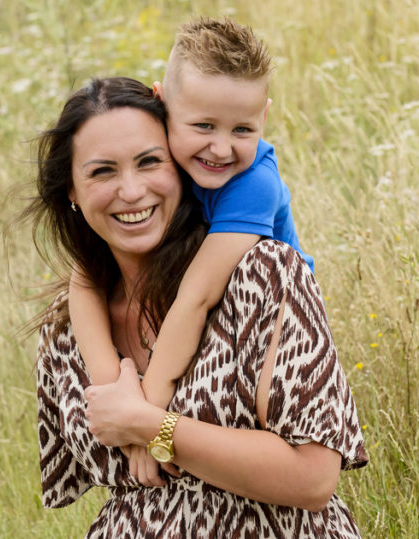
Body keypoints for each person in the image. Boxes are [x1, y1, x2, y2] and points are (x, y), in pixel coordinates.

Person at [25, 76, 368, 536]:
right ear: (72, 189)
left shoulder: (263, 275)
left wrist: (154, 428)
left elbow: (312, 479)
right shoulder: (67, 332)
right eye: (102, 171)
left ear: (183, 165)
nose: (130, 191)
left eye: (150, 162)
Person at [69, 19, 314, 483]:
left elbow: (198, 297)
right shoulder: (172, 162)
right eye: (203, 125)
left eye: (243, 129)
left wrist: (144, 415)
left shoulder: (253, 184)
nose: (221, 148)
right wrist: (113, 386)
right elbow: (83, 278)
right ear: (162, 105)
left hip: (268, 321)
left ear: (264, 115)